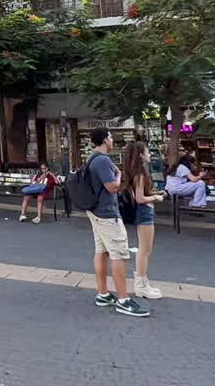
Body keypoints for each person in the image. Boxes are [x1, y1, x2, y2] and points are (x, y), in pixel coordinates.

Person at [85, 127, 148, 317]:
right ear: (105, 140)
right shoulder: (103, 160)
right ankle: (123, 300)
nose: (112, 140)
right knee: (118, 255)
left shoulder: (91, 157)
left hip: (95, 211)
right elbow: (112, 187)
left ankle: (103, 294)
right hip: (107, 213)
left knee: (101, 251)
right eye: (111, 137)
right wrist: (119, 175)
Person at [122, 142, 165, 300]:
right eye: (147, 151)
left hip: (143, 212)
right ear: (141, 154)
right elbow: (139, 198)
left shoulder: (135, 172)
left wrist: (153, 193)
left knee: (145, 250)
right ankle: (141, 286)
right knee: (145, 250)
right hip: (145, 212)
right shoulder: (140, 174)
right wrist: (156, 197)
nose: (149, 154)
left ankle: (143, 283)